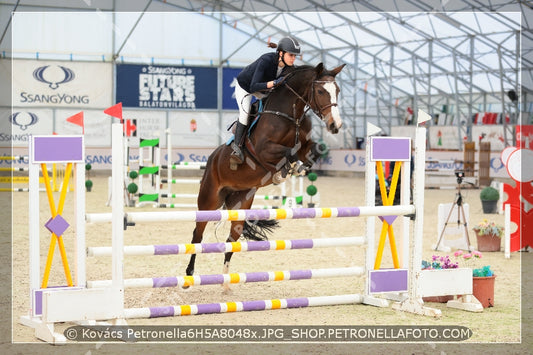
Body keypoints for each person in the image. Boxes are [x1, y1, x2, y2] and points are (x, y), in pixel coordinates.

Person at [231, 36, 301, 166]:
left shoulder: (288, 68)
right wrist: (273, 83)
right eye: (291, 55)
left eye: (295, 56)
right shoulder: (266, 60)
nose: (293, 58)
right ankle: (237, 148)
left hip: (263, 89)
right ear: (281, 53)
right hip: (245, 87)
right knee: (245, 114)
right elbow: (254, 86)